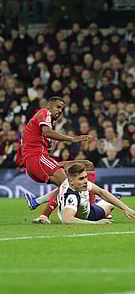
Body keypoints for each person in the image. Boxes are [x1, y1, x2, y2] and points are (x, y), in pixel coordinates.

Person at [22, 96, 92, 224]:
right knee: (68, 183)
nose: (60, 111)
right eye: (58, 107)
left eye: (62, 109)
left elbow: (43, 140)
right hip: (36, 158)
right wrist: (71, 139)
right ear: (49, 105)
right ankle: (87, 206)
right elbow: (47, 132)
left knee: (65, 184)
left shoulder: (44, 124)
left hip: (33, 162)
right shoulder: (44, 113)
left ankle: (38, 205)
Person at [57, 164, 135, 224]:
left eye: (86, 177)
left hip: (85, 207)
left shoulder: (71, 183)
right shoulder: (72, 197)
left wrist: (125, 208)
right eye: (81, 178)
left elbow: (101, 192)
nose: (85, 180)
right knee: (111, 203)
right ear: (71, 180)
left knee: (109, 196)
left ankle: (99, 200)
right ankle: (104, 200)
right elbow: (67, 219)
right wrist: (96, 223)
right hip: (89, 215)